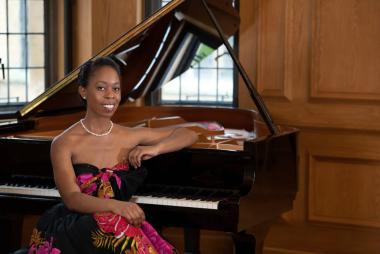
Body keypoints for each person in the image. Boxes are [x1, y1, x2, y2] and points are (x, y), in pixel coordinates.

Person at [23, 56, 198, 254]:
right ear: (83, 91)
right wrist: (116, 206)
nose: (110, 96)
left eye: (115, 89)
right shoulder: (63, 143)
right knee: (117, 224)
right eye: (101, 88)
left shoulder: (129, 135)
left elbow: (188, 133)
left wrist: (155, 148)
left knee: (122, 227)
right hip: (77, 228)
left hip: (118, 226)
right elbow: (72, 198)